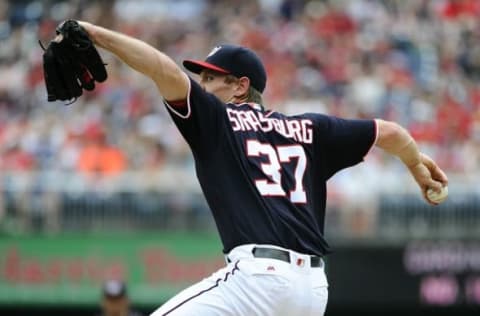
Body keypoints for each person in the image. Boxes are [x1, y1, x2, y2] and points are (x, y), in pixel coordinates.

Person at [78, 21, 448, 316]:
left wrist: (93, 33)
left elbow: (162, 69)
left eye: (210, 77)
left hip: (257, 280)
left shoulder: (217, 120)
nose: (202, 85)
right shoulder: (312, 129)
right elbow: (391, 132)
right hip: (313, 292)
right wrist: (416, 164)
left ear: (240, 87)